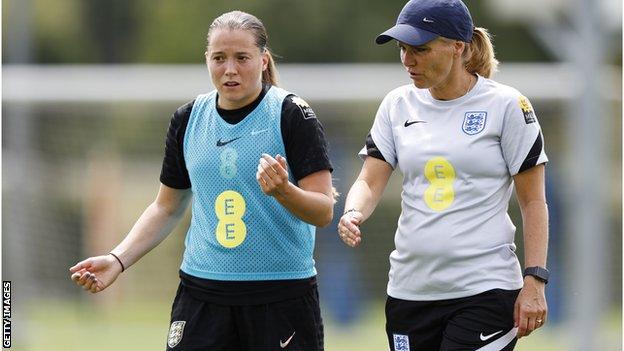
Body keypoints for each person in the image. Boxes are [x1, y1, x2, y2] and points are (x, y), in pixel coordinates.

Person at [70, 10, 334, 351]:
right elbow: (166, 207)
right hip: (202, 295)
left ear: (263, 60)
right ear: (207, 60)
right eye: (219, 58)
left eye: (242, 58)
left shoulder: (291, 114)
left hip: (280, 295)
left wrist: (284, 191)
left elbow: (324, 211)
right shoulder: (188, 119)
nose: (230, 69)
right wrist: (118, 260)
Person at [337, 0, 549, 350]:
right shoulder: (396, 105)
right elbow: (369, 180)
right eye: (403, 49)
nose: (408, 60)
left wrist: (535, 280)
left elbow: (533, 201)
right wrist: (353, 211)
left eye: (420, 49)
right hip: (409, 290)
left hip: (484, 289)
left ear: (458, 47)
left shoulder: (507, 106)